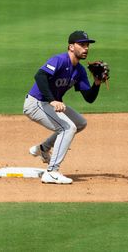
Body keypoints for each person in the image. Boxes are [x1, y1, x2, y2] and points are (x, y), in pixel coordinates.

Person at [23, 31, 103, 184]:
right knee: (68, 128)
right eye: (82, 45)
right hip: (36, 103)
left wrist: (97, 83)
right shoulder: (59, 60)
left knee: (80, 123)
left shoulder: (79, 70)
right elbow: (40, 76)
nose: (86, 48)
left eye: (87, 45)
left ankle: (43, 148)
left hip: (51, 104)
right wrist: (52, 100)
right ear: (71, 47)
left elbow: (89, 98)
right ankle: (52, 171)